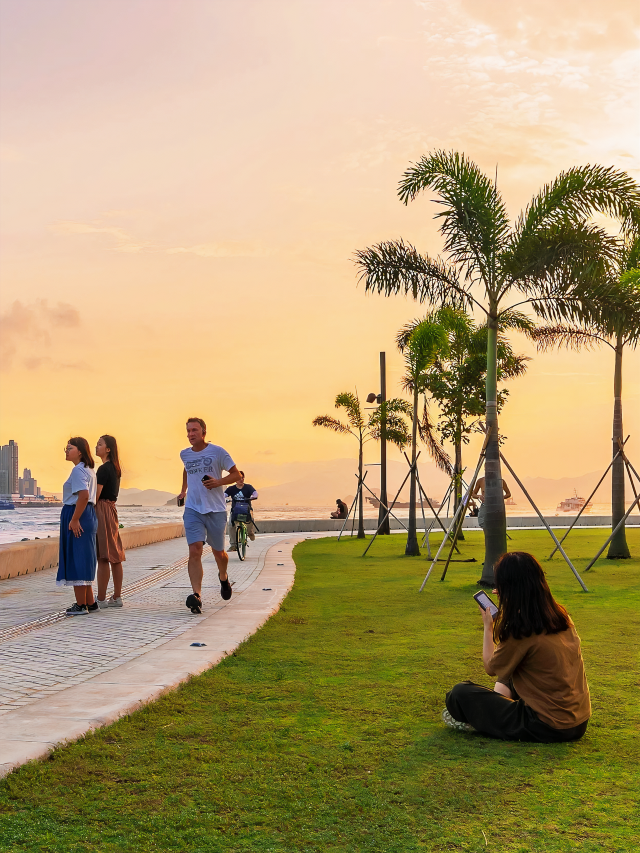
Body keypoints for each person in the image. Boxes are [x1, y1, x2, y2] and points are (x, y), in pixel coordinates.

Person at [443, 551, 591, 742]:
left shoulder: (521, 630)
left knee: (459, 694)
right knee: (512, 670)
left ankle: (490, 714)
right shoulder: (561, 617)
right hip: (578, 721)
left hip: (547, 725)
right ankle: (497, 707)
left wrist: (488, 627)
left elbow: (490, 667)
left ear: (508, 589)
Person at [177, 417, 242, 614]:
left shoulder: (217, 452)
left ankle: (223, 577)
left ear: (204, 432)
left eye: (194, 430)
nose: (191, 434)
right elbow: (187, 470)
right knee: (195, 550)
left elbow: (236, 475)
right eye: (188, 431)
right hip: (193, 509)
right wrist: (183, 491)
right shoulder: (184, 454)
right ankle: (197, 595)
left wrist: (218, 482)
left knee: (218, 553)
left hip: (216, 509)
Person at [57, 437, 99, 616]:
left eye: (70, 448)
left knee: (77, 559)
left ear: (80, 451)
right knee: (84, 557)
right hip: (88, 514)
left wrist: (74, 520)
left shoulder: (78, 470)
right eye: (65, 448)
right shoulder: (89, 470)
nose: (66, 451)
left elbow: (83, 495)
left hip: (78, 514)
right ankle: (90, 602)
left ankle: (81, 605)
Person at [95, 434, 126, 608]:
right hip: (111, 509)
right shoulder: (115, 468)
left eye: (99, 444)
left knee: (103, 556)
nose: (96, 447)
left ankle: (100, 599)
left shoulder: (103, 469)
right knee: (115, 555)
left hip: (102, 509)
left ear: (108, 449)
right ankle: (117, 596)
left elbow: (95, 496)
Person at [225, 471, 258, 551]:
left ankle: (250, 532)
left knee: (250, 521)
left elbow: (255, 493)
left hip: (247, 509)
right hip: (235, 510)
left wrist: (253, 496)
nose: (241, 479)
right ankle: (233, 545)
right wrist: (224, 499)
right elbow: (224, 495)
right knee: (230, 525)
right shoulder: (231, 488)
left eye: (242, 477)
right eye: (239, 478)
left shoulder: (248, 487)